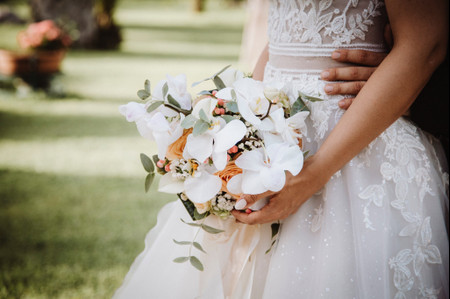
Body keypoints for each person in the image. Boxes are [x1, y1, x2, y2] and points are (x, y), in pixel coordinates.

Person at [114, 1, 449, 298]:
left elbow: (425, 42)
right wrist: (238, 121)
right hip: (266, 133)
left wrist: (316, 171)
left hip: (359, 144)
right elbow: (282, 35)